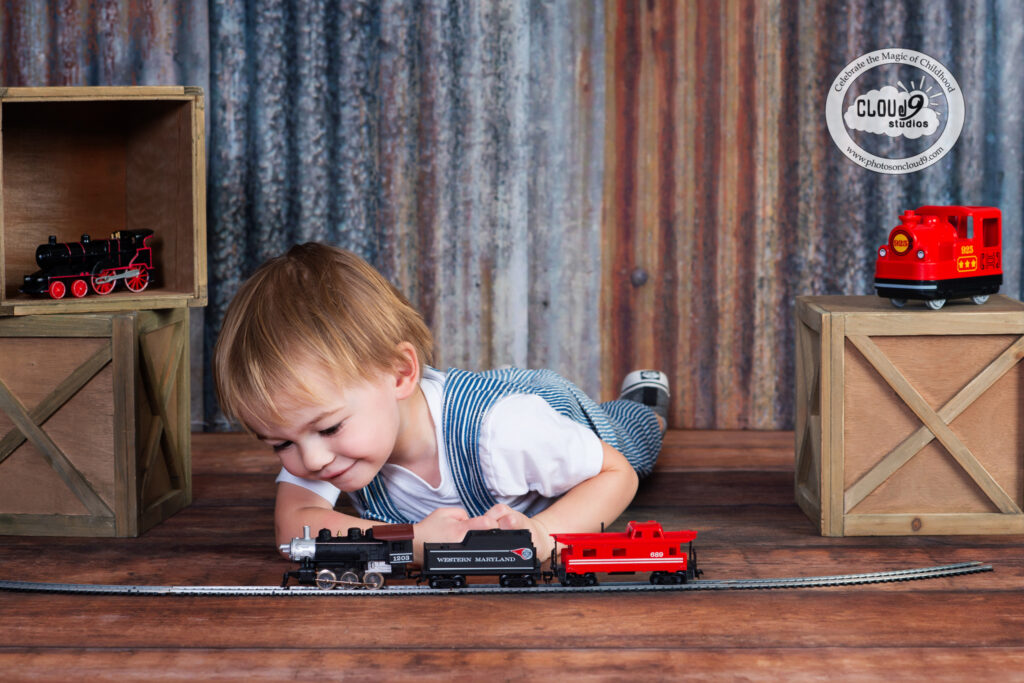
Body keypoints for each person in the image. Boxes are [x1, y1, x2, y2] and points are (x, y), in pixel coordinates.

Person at [213, 243, 669, 562]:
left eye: (329, 429)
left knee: (637, 432)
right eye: (279, 444)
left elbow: (616, 473)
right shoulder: (317, 433)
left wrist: (545, 535)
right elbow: (293, 529)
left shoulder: (507, 432)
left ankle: (645, 397)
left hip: (560, 416)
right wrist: (411, 539)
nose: (309, 459)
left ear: (399, 373)